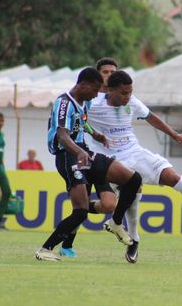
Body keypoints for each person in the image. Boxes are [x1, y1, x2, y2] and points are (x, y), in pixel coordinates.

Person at [59, 64, 182, 263]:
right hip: (109, 160)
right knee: (127, 198)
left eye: (130, 93)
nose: (128, 97)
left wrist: (174, 134)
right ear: (110, 90)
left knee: (174, 177)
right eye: (124, 93)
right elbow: (76, 116)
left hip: (135, 152)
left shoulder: (132, 102)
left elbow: (151, 117)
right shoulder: (93, 102)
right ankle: (132, 238)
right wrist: (88, 139)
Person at [34, 67, 142, 262]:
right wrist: (79, 151)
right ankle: (45, 249)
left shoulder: (84, 102)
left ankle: (116, 222)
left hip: (85, 152)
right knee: (80, 212)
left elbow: (81, 123)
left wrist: (95, 134)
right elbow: (62, 135)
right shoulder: (64, 102)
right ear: (83, 85)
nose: (95, 95)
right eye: (94, 90)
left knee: (133, 179)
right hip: (68, 157)